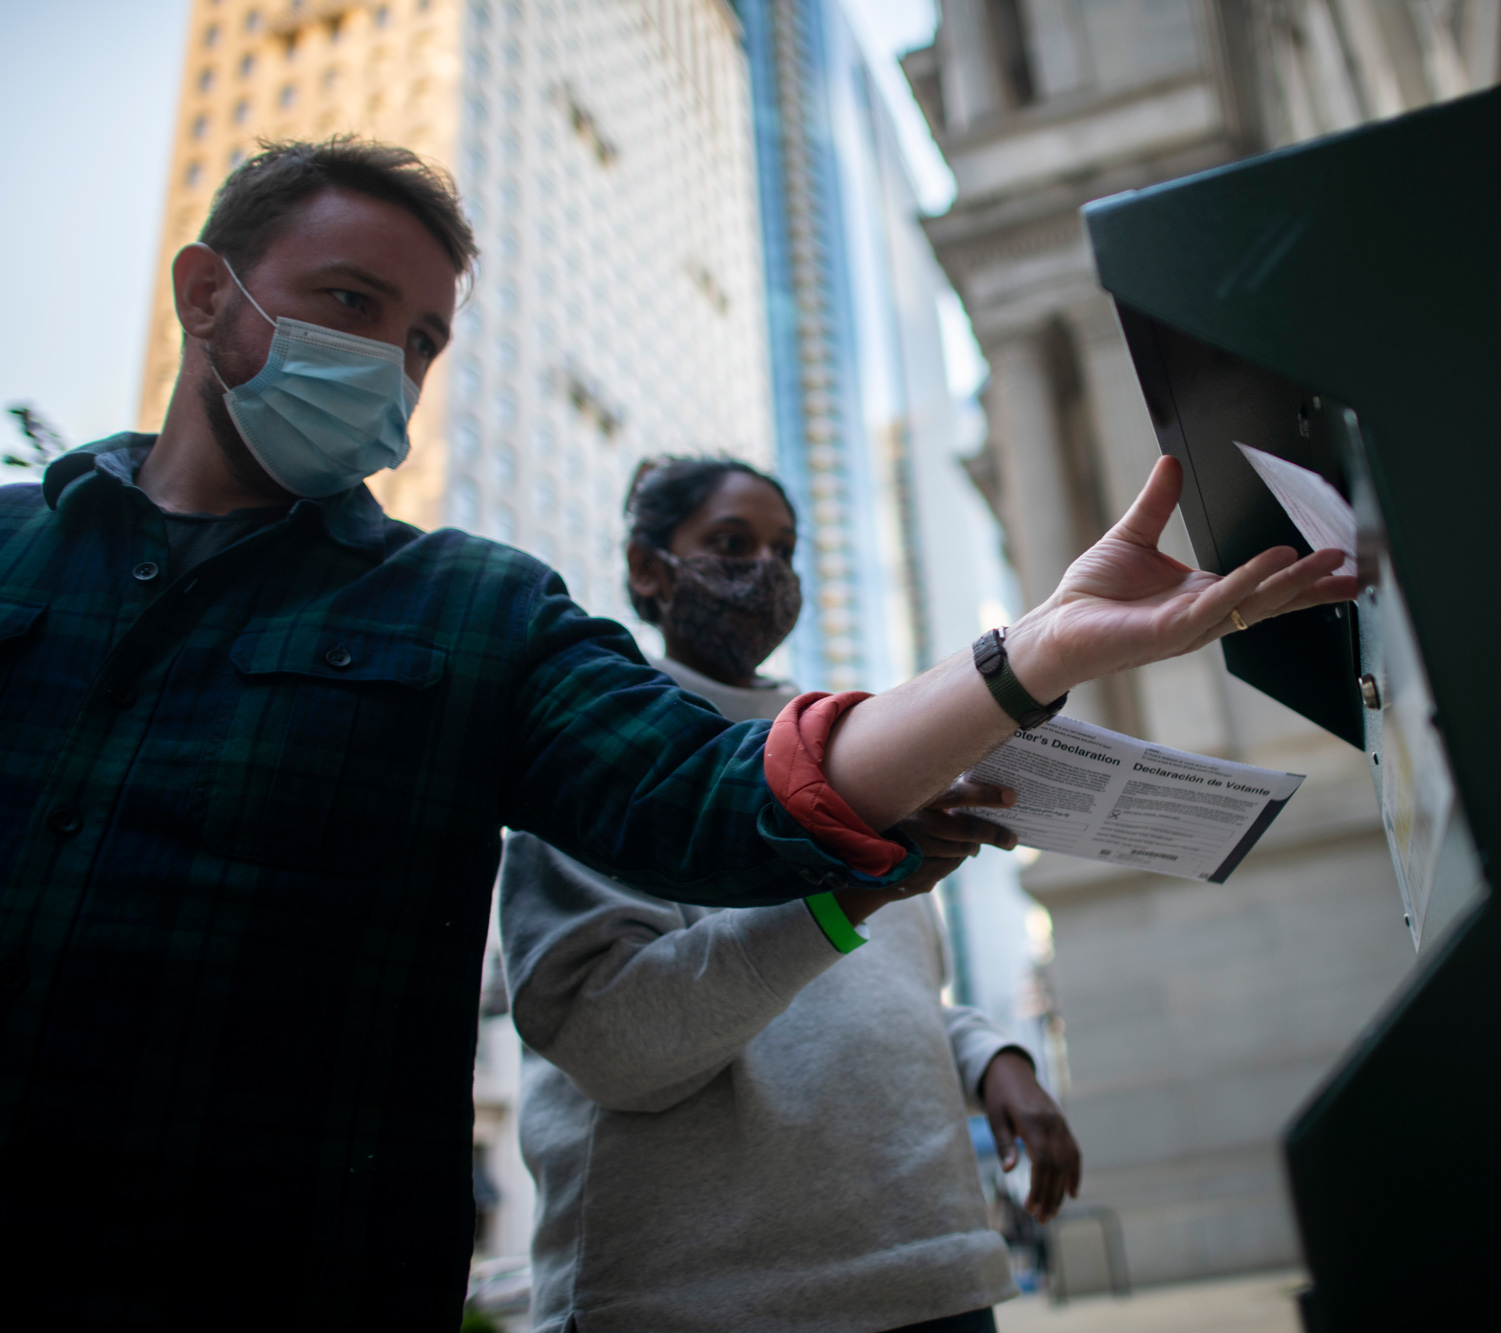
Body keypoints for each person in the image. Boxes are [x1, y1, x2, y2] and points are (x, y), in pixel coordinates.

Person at [0, 138, 1351, 1326]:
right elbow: (628, 1022)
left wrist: (1038, 651)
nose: (389, 364)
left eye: (422, 340)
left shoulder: (476, 610)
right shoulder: (17, 554)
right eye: (352, 304)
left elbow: (714, 801)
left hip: (292, 1274)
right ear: (204, 294)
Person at [500, 456, 1079, 1333]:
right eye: (731, 543)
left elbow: (881, 991)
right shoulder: (595, 757)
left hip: (935, 1277)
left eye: (786, 548)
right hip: (702, 1302)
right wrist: (853, 890)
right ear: (648, 569)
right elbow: (613, 1041)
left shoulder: (864, 746)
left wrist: (995, 1058)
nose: (765, 571)